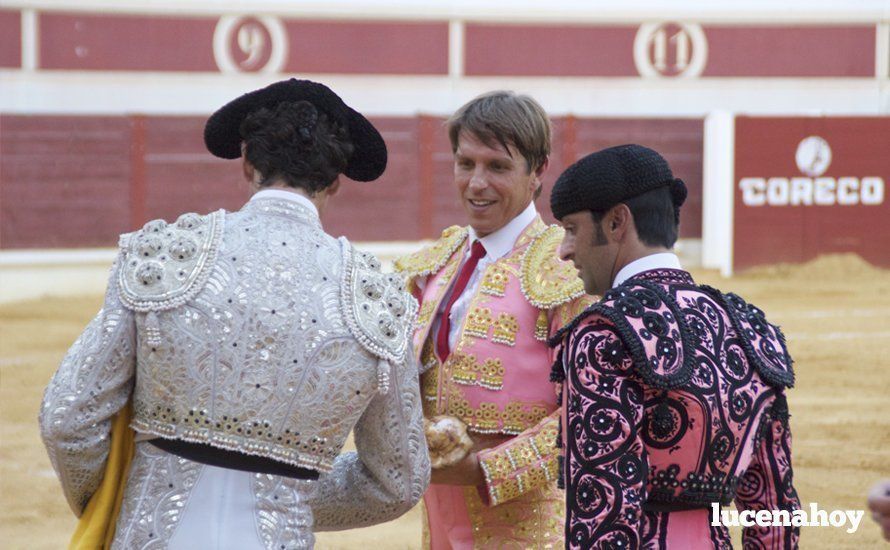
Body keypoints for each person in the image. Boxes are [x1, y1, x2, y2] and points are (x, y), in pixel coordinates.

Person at [39, 78, 430, 549]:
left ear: (247, 162)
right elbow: (398, 481)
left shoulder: (165, 257)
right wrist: (290, 491)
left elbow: (67, 418)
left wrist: (124, 494)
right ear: (334, 182)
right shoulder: (377, 301)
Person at [548, 144, 800, 549]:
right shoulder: (750, 328)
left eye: (572, 228)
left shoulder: (604, 332)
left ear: (616, 222)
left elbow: (605, 513)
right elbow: (774, 511)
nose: (564, 250)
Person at [394, 91, 592, 548]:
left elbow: (590, 414)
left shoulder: (566, 272)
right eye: (466, 164)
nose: (476, 183)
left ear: (538, 170)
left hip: (533, 526)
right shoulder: (433, 267)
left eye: (497, 167)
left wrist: (486, 470)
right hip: (438, 522)